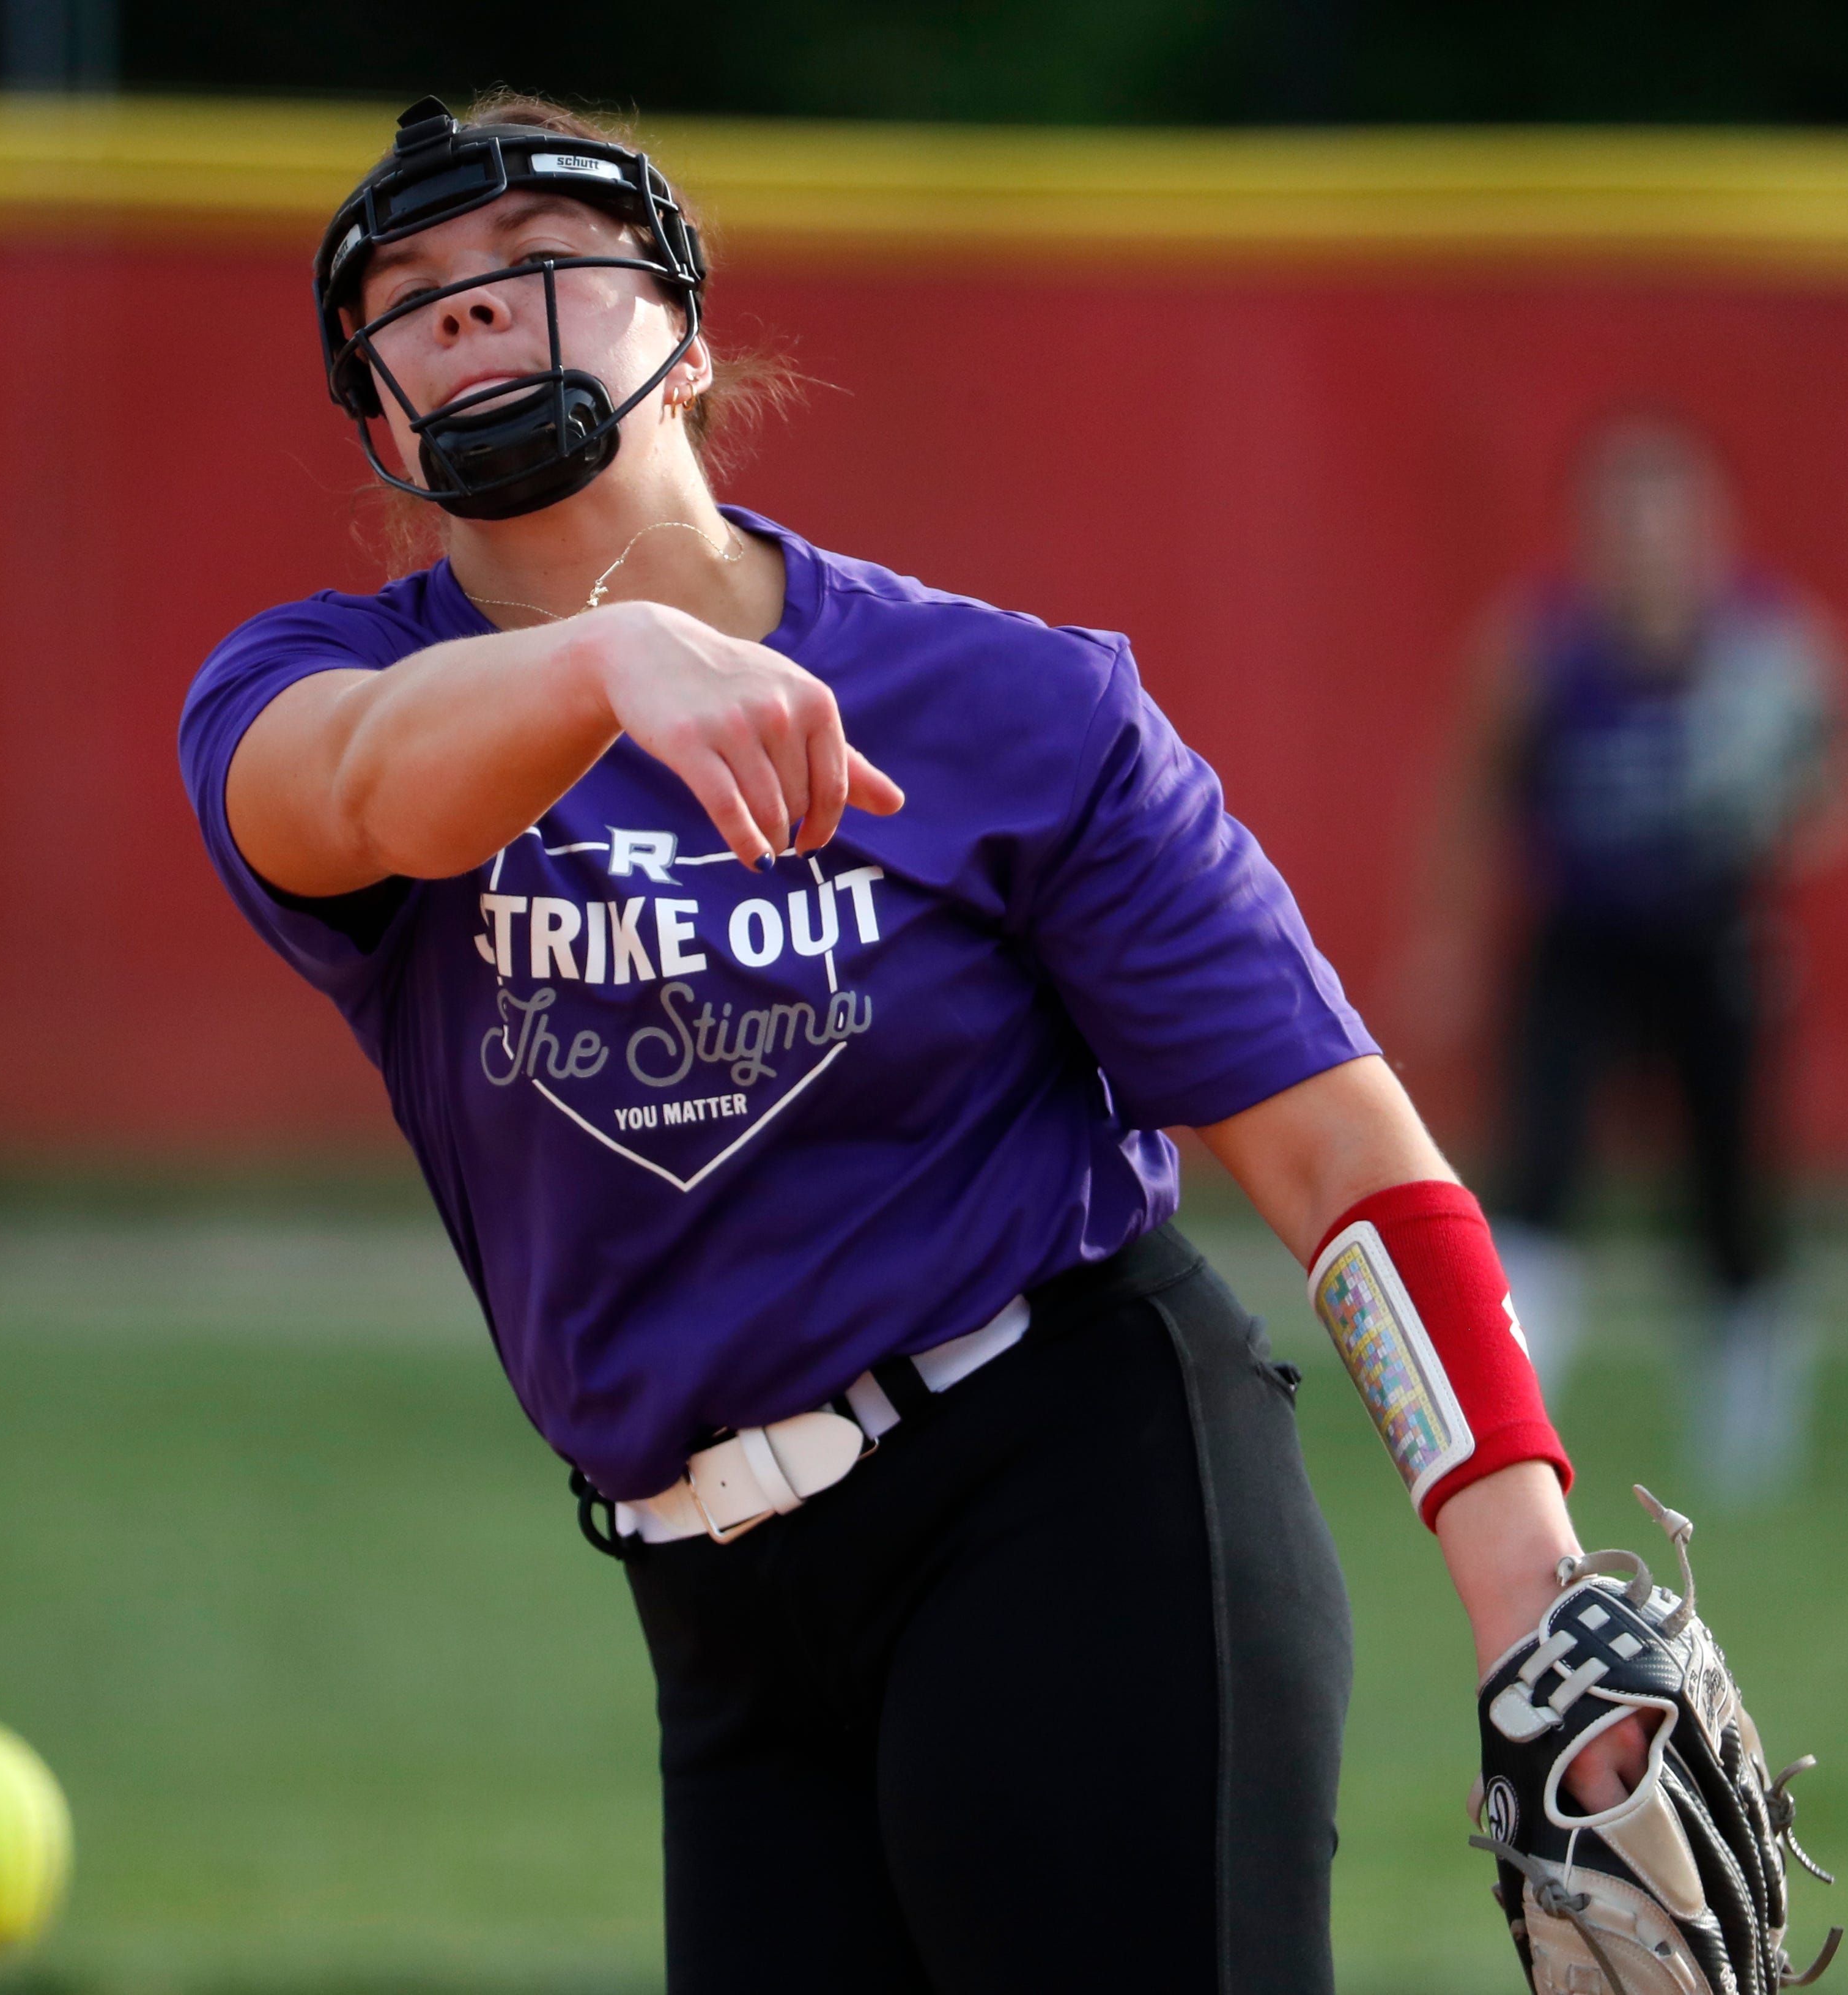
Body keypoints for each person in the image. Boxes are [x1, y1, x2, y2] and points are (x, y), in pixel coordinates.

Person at [180, 92, 1649, 1995]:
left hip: (1067, 1491)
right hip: (710, 1604)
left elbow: (1343, 1171)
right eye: (412, 293)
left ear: (689, 341)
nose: (473, 304)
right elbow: (360, 793)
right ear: (377, 417)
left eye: (544, 260)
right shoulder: (313, 686)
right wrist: (601, 660)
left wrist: (1526, 1596)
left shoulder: (1015, 703)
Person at [1410, 415, 1848, 1503]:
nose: (1642, 536)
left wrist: (1782, 817)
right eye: (1619, 513)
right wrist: (1440, 940)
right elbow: (1469, 791)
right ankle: (1506, 1424)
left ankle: (1747, 1441)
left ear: (1708, 524)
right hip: (1578, 939)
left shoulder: (1766, 645)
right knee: (1538, 1173)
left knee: (1727, 1182)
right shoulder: (1539, 646)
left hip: (1708, 936)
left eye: (1663, 510)